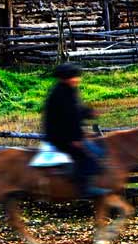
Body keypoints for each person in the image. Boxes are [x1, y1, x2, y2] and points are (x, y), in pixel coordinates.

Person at [42, 63, 106, 197]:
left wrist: (89, 112)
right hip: (59, 136)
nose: (76, 79)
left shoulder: (71, 90)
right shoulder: (59, 93)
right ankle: (84, 187)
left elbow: (77, 110)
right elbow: (67, 119)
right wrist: (74, 139)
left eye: (76, 76)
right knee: (83, 155)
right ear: (65, 78)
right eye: (73, 77)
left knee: (98, 149)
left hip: (70, 133)